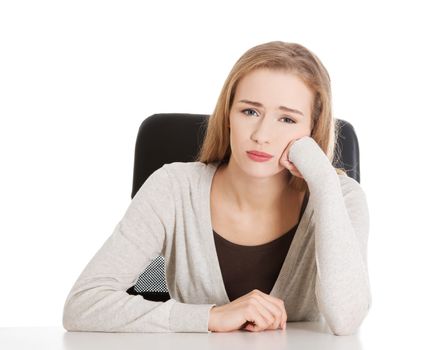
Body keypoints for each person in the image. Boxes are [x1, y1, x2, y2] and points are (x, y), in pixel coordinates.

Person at [62, 41, 371, 336]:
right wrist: (210, 317)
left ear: (312, 130)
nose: (262, 135)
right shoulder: (173, 189)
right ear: (228, 116)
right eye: (250, 111)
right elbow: (83, 304)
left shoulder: (340, 197)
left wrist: (325, 183)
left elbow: (346, 319)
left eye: (287, 119)